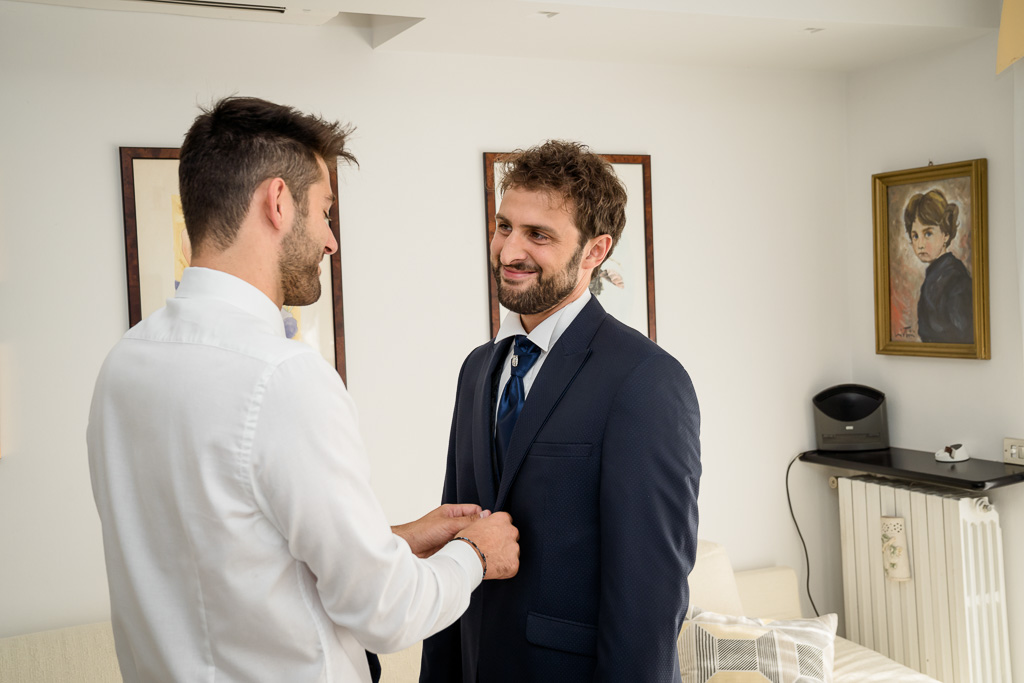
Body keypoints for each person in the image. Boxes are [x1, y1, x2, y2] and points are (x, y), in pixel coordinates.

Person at [87, 96, 519, 683]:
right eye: (325, 212)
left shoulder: (125, 364)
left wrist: (393, 540)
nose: (331, 240)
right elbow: (387, 614)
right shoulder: (285, 378)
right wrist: (474, 554)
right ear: (278, 201)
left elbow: (224, 549)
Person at [420, 140, 701, 682]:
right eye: (505, 227)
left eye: (538, 235)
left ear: (595, 251)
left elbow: (650, 597)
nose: (509, 251)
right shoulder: (477, 370)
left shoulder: (646, 381)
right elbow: (452, 537)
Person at [904, 188, 973, 343]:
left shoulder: (955, 278)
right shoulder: (935, 274)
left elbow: (964, 334)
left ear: (945, 235)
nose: (920, 244)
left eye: (928, 233)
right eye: (915, 236)